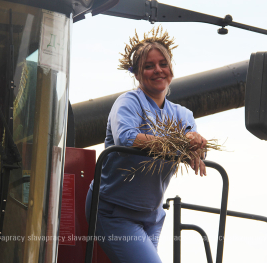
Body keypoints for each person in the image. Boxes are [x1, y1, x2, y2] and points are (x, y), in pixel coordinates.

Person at [85, 26, 208, 263]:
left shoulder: (182, 114)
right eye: (149, 66)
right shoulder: (129, 103)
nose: (158, 70)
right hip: (114, 212)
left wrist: (196, 143)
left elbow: (192, 140)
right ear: (137, 74)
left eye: (163, 63)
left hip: (152, 215)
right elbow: (127, 138)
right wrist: (178, 142)